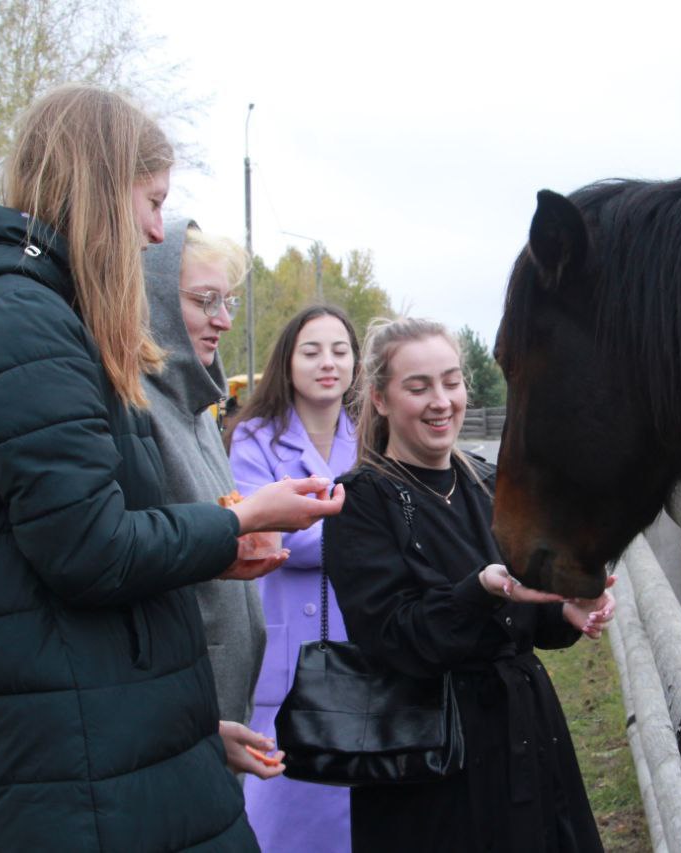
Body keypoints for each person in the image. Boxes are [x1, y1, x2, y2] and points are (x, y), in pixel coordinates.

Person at [0, 84, 342, 851]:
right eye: (152, 201)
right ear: (100, 183)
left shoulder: (37, 316)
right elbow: (90, 548)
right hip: (79, 783)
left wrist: (185, 728)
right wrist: (240, 521)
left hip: (104, 750)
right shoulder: (17, 321)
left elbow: (69, 563)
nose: (157, 232)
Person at [324, 318, 613, 853]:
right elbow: (394, 637)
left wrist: (566, 609)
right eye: (419, 386)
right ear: (381, 400)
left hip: (524, 732)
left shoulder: (487, 484)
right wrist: (481, 589)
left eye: (451, 382)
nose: (441, 401)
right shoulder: (361, 501)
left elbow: (520, 616)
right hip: (433, 760)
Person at [140, 218, 283, 779]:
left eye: (228, 302)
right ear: (151, 296)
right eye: (206, 301)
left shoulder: (198, 407)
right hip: (171, 722)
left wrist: (240, 538)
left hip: (211, 718)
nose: (223, 320)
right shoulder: (136, 408)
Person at [228, 306, 361, 851]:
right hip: (283, 663)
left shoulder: (374, 432)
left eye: (339, 350)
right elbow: (269, 540)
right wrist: (368, 538)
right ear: (287, 363)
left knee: (359, 817)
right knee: (282, 819)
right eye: (311, 351)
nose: (327, 363)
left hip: (363, 652)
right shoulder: (253, 438)